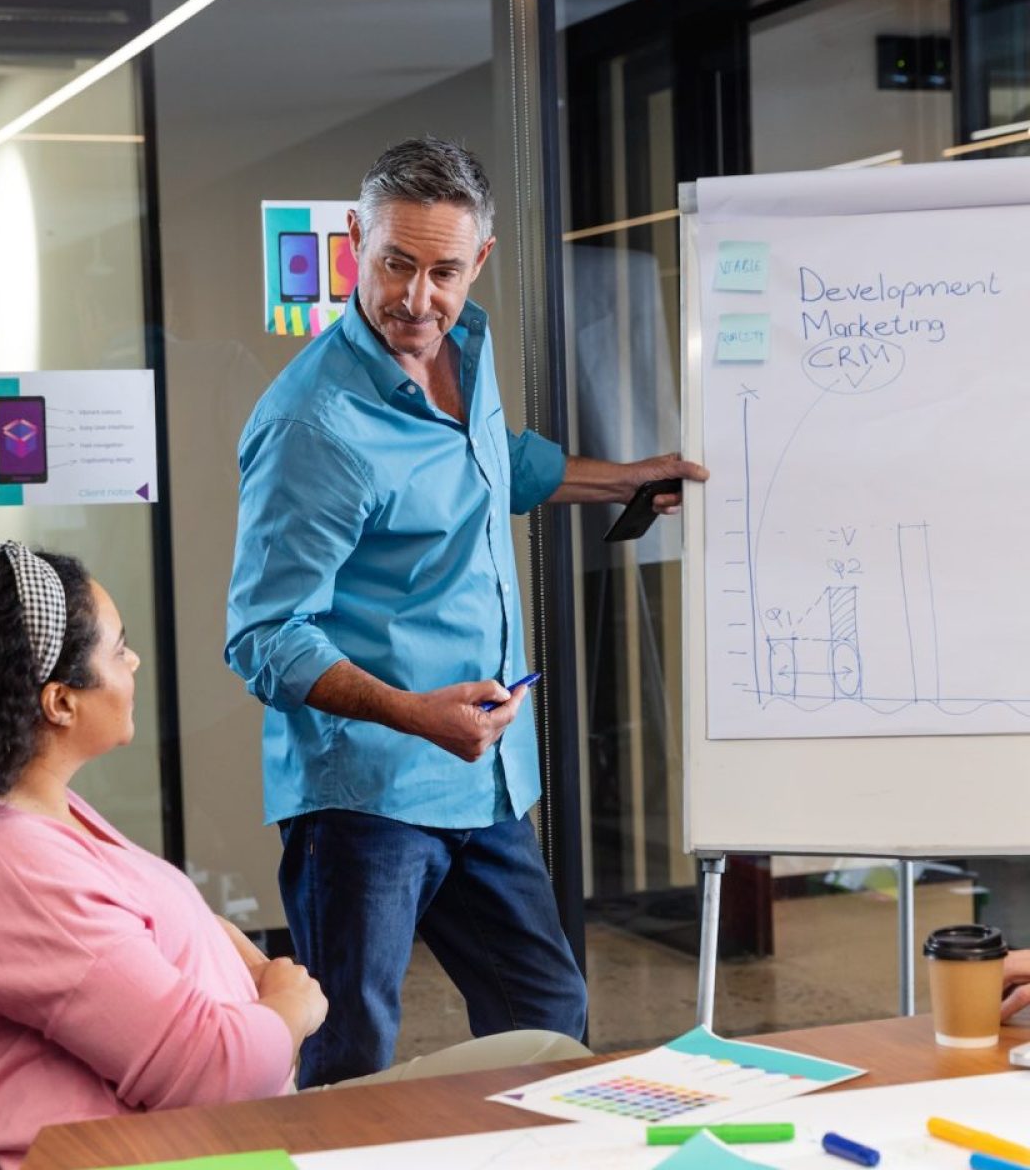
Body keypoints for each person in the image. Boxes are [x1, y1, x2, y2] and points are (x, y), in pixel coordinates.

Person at [225, 136, 709, 1088]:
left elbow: (503, 465)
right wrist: (415, 713)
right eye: (395, 262)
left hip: (483, 783)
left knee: (546, 1017)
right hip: (365, 796)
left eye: (443, 270)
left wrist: (624, 480)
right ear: (355, 240)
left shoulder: (468, 349)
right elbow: (264, 638)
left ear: (477, 261)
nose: (416, 298)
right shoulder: (311, 424)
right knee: (349, 1052)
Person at [0, 544, 327, 1170]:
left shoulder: (25, 813)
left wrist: (214, 939)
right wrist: (291, 1003)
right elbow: (214, 1069)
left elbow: (118, 922)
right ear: (60, 701)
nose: (135, 660)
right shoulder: (13, 867)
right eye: (118, 649)